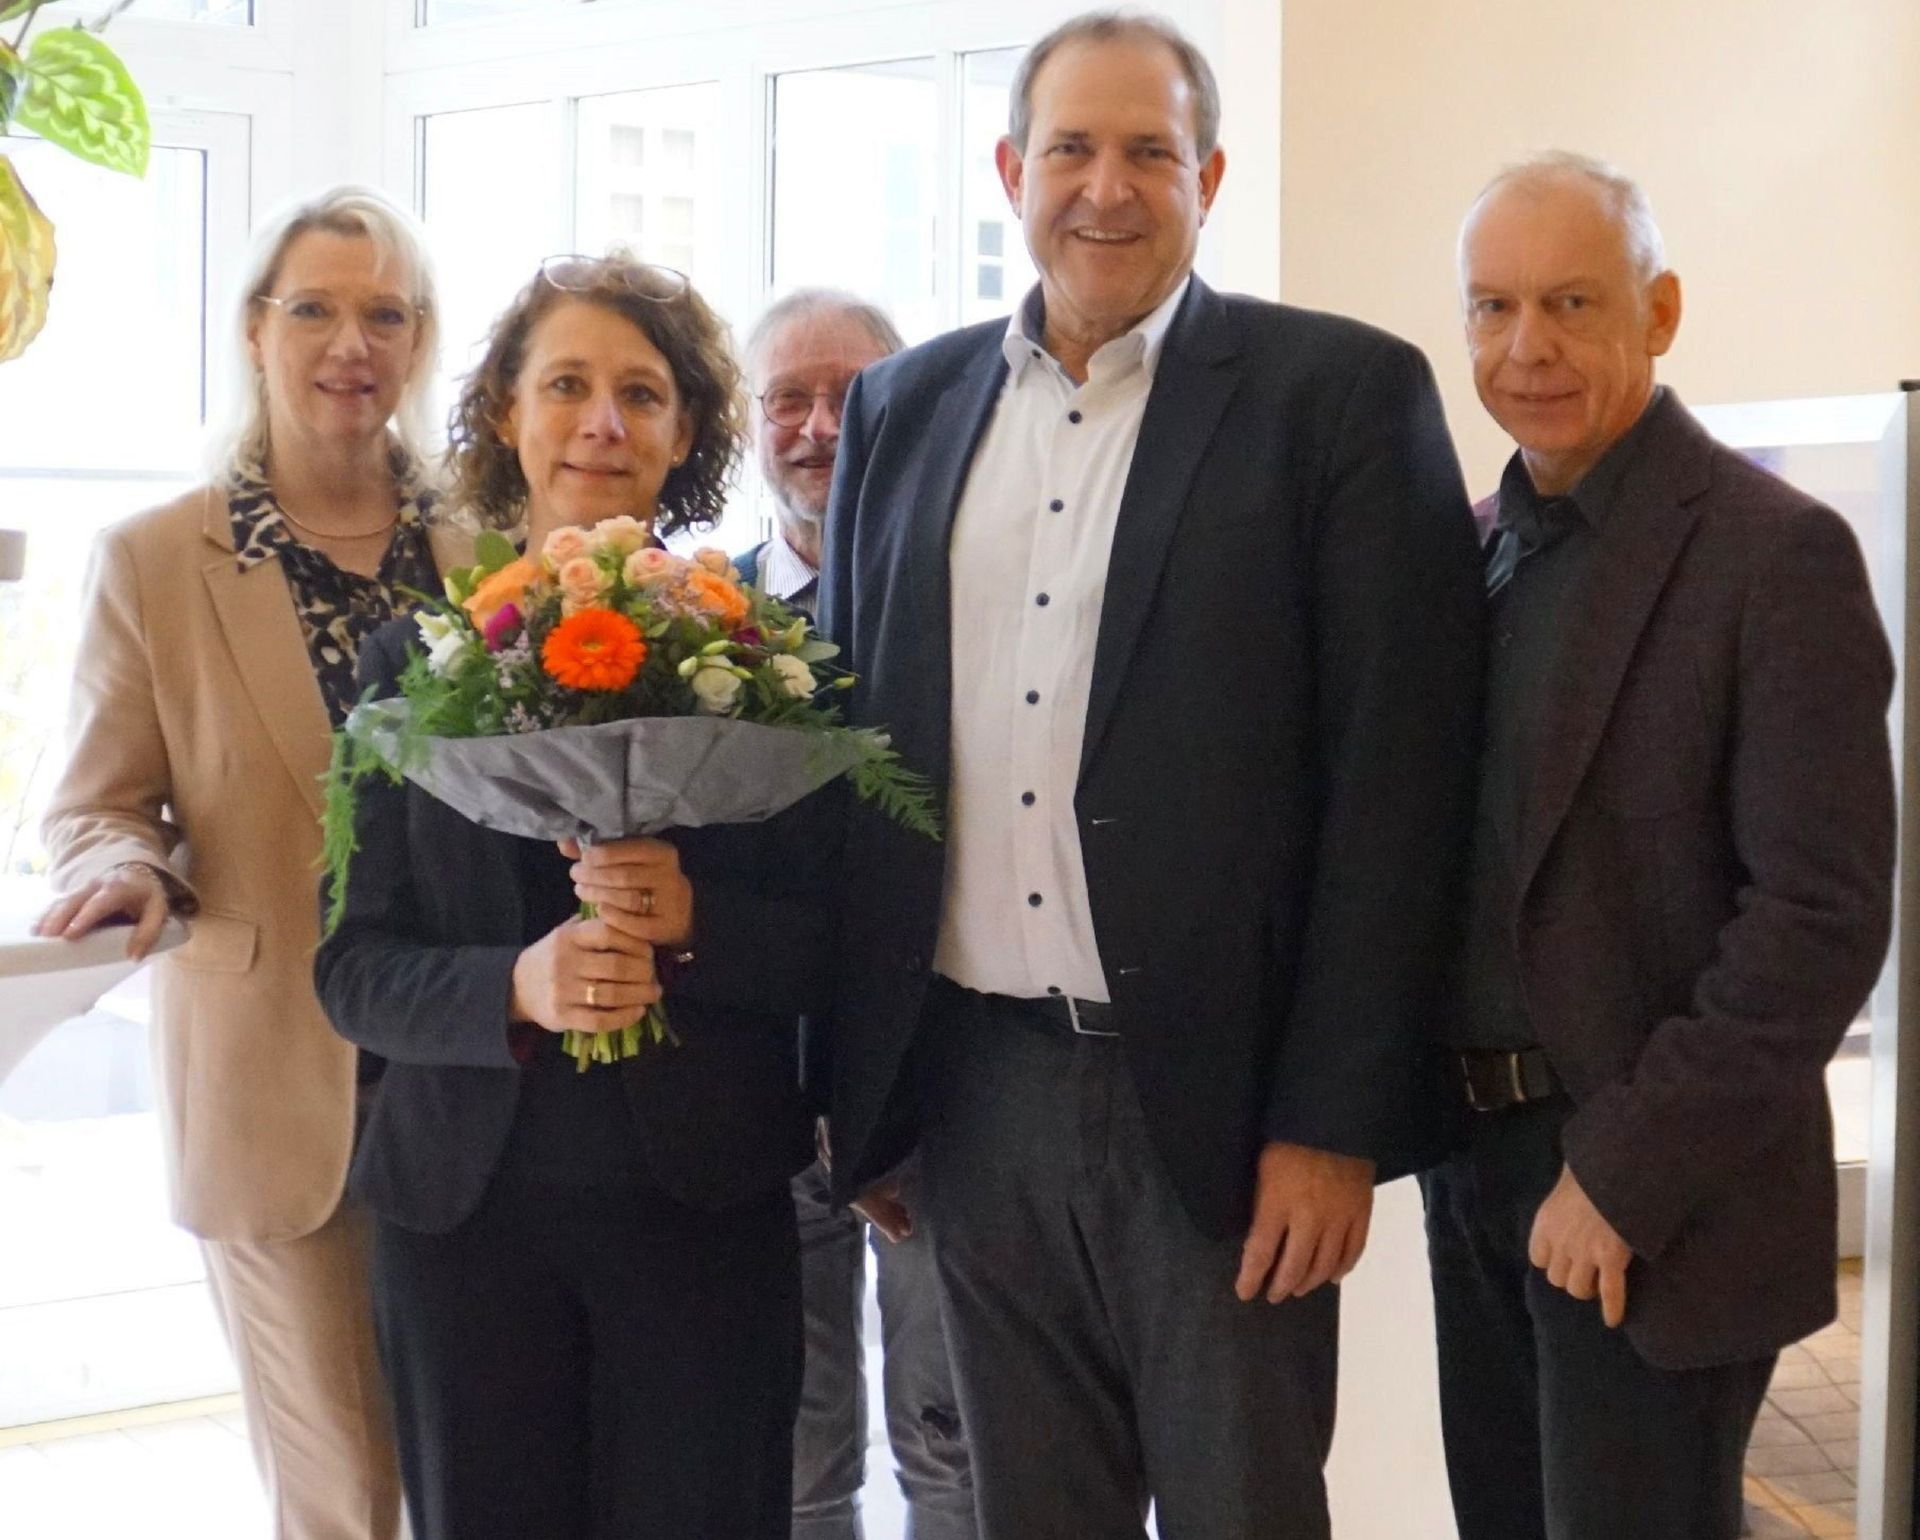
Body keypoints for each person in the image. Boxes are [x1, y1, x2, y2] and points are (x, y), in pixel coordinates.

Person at [815, 12, 1484, 1537]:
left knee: (1245, 1509)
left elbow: (1399, 787)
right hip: (975, 1093)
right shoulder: (900, 414)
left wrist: (1333, 1117)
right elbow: (850, 776)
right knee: (1028, 1515)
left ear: (1210, 175)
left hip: (1232, 1108)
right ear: (1009, 169)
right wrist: (866, 1094)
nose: (1104, 188)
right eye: (1070, 147)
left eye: (1147, 152)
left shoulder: (1338, 398)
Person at [314, 253, 834, 1540]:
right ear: (505, 411)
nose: (603, 422)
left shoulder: (764, 662)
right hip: (463, 1221)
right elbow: (354, 966)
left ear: (689, 430)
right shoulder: (407, 663)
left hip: (703, 1214)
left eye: (644, 394)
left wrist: (698, 923)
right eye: (567, 385)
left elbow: (840, 949)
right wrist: (514, 983)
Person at [1425, 151, 1895, 1540]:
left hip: (1653, 1204)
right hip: (1474, 1170)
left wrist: (1618, 1177)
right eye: (1493, 307)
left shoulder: (1775, 556)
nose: (1529, 348)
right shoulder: (1464, 551)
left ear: (1662, 309)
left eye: (1572, 302)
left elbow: (1819, 921)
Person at [34, 185, 454, 1540]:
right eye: (315, 308)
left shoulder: (482, 551)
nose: (351, 342)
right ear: (254, 333)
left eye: (384, 312)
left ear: (418, 341)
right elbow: (100, 803)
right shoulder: (156, 559)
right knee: (353, 1496)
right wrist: (126, 871)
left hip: (471, 1082)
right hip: (279, 1086)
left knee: (470, 1472)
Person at [736, 288, 977, 1540]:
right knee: (790, 1448)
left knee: (955, 1444)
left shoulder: (972, 611)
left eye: (852, 396)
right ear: (748, 420)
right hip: (755, 1111)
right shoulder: (685, 624)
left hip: (940, 1104)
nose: (821, 426)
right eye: (789, 398)